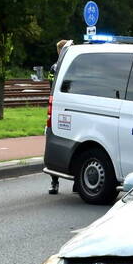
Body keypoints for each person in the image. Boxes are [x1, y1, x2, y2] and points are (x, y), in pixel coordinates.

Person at [47, 39, 72, 194]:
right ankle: (74, 184)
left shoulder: (55, 67)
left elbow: (51, 88)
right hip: (65, 108)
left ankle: (54, 183)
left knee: (54, 144)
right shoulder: (63, 67)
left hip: (57, 108)